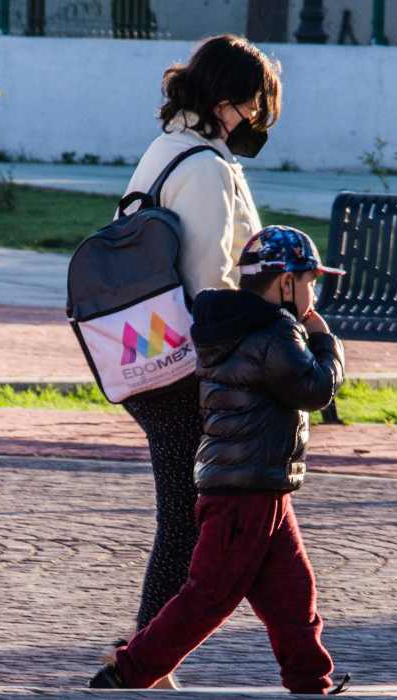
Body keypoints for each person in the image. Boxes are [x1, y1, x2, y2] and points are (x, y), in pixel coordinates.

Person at [91, 226, 349, 694]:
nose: (315, 293)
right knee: (209, 596)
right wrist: (327, 343)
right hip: (244, 493)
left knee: (293, 595)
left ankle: (312, 682)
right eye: (311, 280)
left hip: (261, 486)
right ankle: (125, 674)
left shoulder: (230, 325)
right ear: (284, 283)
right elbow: (314, 390)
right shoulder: (273, 332)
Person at [113, 34, 281, 689]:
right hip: (181, 365)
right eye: (251, 106)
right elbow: (212, 280)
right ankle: (143, 664)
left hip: (140, 355)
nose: (255, 121)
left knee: (200, 515)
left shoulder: (162, 151)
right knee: (186, 521)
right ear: (225, 101)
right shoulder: (207, 167)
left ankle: (146, 656)